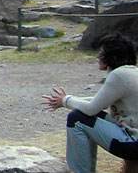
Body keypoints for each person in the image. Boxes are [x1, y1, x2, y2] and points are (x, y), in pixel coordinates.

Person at [43, 33, 138, 171]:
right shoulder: (130, 72)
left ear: (113, 57)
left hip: (133, 143)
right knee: (87, 115)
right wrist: (67, 99)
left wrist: (65, 101)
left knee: (77, 119)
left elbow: (91, 108)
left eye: (101, 53)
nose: (97, 57)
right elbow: (100, 102)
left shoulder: (120, 75)